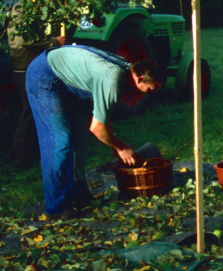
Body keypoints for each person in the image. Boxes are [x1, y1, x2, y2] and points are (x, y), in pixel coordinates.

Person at [25, 44, 163, 219]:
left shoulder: (127, 72)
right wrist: (121, 147)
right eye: (152, 88)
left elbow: (102, 116)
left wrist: (113, 142)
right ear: (141, 79)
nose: (150, 93)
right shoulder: (112, 78)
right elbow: (97, 128)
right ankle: (57, 207)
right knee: (60, 141)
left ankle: (77, 191)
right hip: (45, 76)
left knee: (81, 139)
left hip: (68, 81)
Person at [7, 6, 68, 168]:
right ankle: (20, 155)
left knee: (36, 111)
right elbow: (23, 39)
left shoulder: (32, 8)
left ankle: (32, 153)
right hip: (25, 68)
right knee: (30, 111)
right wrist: (54, 41)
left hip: (31, 66)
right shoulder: (21, 9)